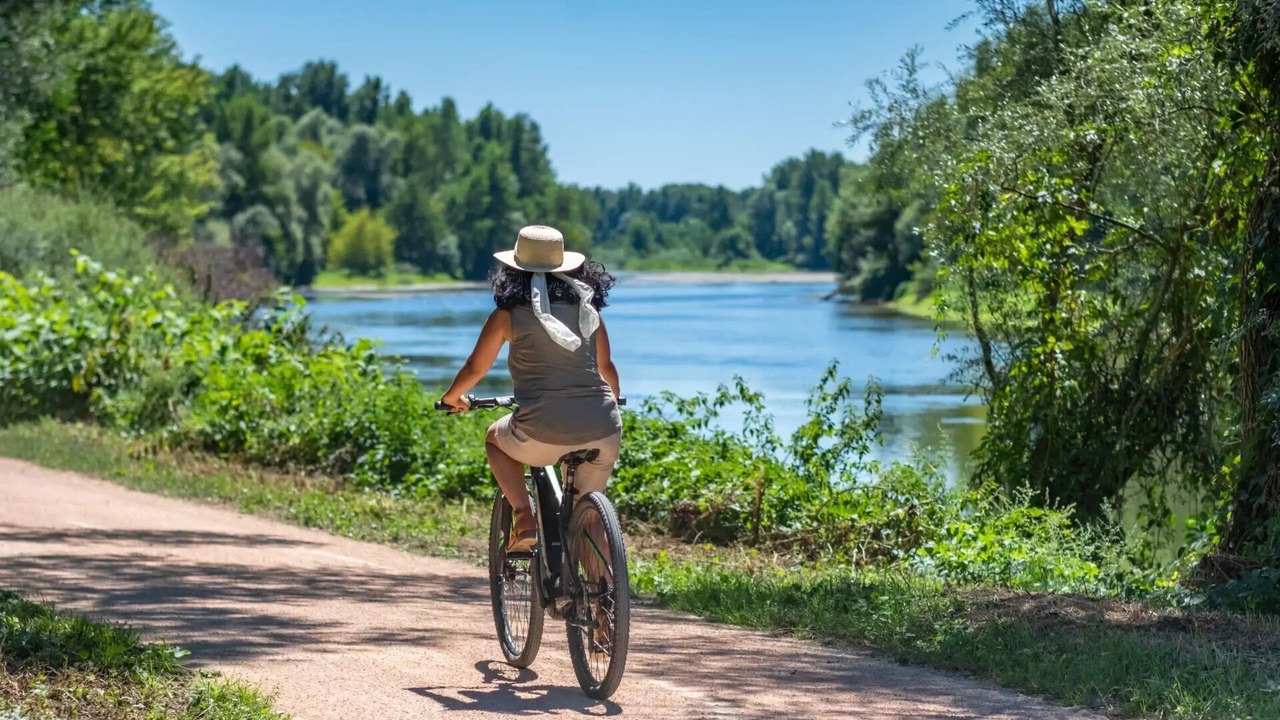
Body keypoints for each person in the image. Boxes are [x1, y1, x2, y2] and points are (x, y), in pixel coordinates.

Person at [440, 225, 622, 553]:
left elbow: (475, 368)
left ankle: (524, 517)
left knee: (495, 440)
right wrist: (615, 402)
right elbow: (607, 369)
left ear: (512, 271)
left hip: (541, 429)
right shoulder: (588, 311)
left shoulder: (507, 316)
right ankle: (603, 600)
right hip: (603, 426)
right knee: (590, 521)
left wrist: (452, 398)